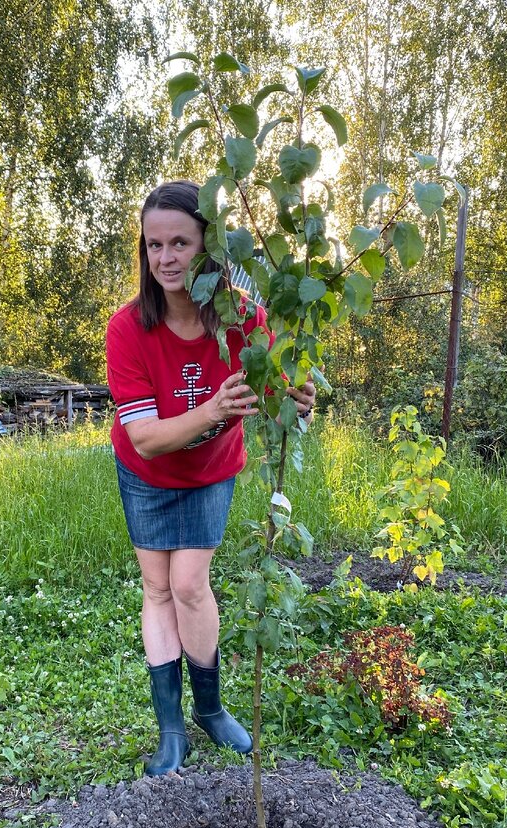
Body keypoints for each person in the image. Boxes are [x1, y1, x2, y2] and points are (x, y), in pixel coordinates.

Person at [105, 180, 316, 776]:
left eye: (180, 243)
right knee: (157, 588)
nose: (166, 258)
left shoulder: (246, 318)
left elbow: (274, 387)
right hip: (145, 471)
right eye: (154, 246)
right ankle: (171, 730)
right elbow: (146, 436)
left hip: (209, 471)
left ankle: (211, 708)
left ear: (209, 249)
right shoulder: (127, 330)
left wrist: (298, 399)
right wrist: (212, 412)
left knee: (190, 584)